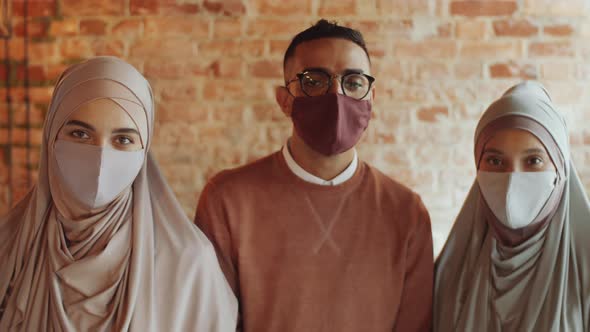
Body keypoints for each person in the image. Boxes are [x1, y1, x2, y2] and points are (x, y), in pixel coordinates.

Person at [195, 19, 433, 332]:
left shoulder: (406, 212)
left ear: (372, 99)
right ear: (284, 100)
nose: (337, 94)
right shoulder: (227, 199)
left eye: (354, 81)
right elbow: (212, 321)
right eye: (314, 80)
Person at [0, 57, 237, 331]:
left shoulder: (186, 264)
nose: (101, 156)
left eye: (123, 139)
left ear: (144, 150)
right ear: (51, 136)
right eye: (80, 134)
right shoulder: (11, 249)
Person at [434, 81, 590, 331]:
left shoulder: (584, 268)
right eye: (495, 160)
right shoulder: (451, 273)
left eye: (534, 160)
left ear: (560, 170)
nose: (512, 179)